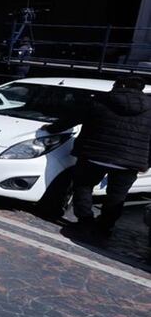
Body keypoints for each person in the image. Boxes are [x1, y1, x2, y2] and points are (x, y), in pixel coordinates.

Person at [45, 75, 151, 239]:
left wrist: (51, 129)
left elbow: (72, 119)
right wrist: (146, 163)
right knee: (117, 196)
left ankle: (85, 221)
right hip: (130, 161)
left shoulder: (100, 100)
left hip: (94, 154)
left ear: (120, 85)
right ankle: (105, 227)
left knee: (83, 187)